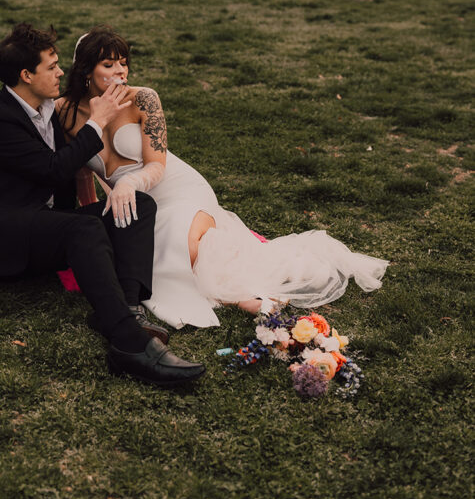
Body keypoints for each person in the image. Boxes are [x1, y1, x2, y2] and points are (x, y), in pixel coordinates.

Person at [57, 26, 389, 329]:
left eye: (124, 63)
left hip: (175, 189)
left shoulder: (144, 98)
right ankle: (241, 298)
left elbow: (157, 166)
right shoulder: (66, 111)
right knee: (144, 252)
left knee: (179, 246)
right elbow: (82, 175)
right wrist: (97, 225)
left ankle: (241, 298)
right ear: (86, 70)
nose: (120, 72)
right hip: (134, 204)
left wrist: (128, 182)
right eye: (109, 65)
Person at [0, 22, 205, 387]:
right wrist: (97, 121)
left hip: (37, 224)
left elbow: (78, 172)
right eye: (51, 66)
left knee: (138, 206)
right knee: (83, 227)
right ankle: (130, 345)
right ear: (26, 75)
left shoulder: (51, 109)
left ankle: (128, 309)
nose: (60, 72)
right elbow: (53, 169)